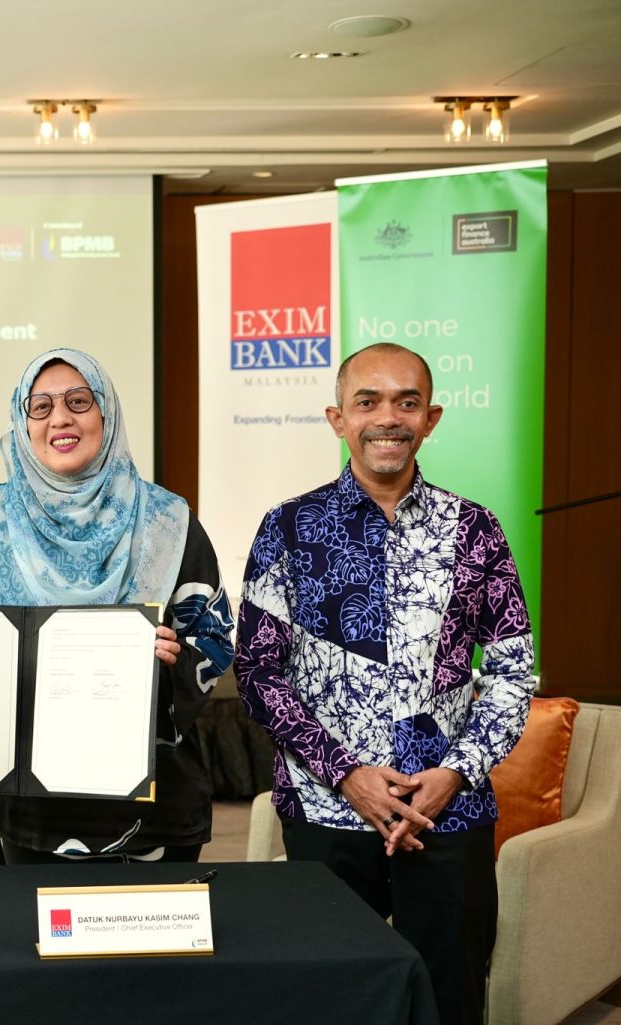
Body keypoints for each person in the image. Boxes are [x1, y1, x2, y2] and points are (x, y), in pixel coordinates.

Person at [234, 342, 534, 1025]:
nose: (387, 418)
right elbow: (256, 671)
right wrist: (347, 772)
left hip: (448, 812)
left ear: (431, 418)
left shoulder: (477, 530)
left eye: (406, 402)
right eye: (367, 402)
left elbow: (515, 672)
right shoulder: (288, 527)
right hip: (328, 809)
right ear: (337, 418)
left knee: (450, 997)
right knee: (330, 998)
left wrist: (456, 770)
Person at [0, 347, 234, 864]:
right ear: (22, 420)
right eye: (41, 406)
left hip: (153, 807)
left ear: (107, 413)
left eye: (79, 401)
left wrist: (173, 658)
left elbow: (211, 639)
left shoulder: (169, 522)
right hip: (33, 810)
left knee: (151, 948)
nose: (61, 419)